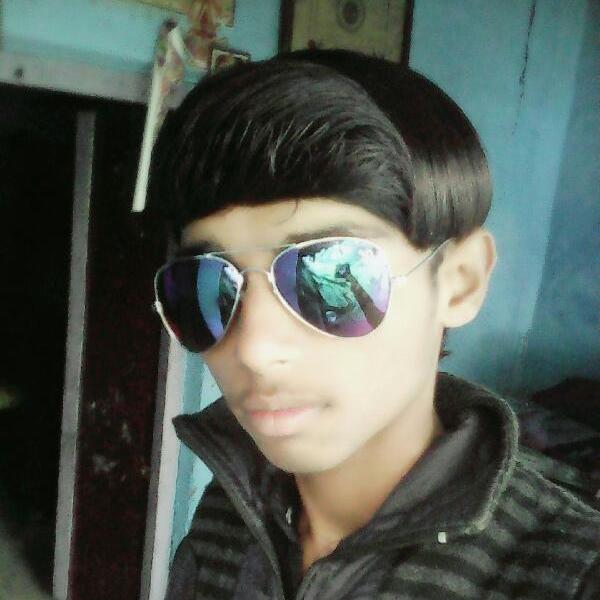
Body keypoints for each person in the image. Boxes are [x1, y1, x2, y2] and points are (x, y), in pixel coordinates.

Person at [149, 49, 600, 599]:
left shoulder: (570, 573)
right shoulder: (227, 511)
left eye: (330, 274)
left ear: (459, 282)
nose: (254, 348)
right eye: (205, 286)